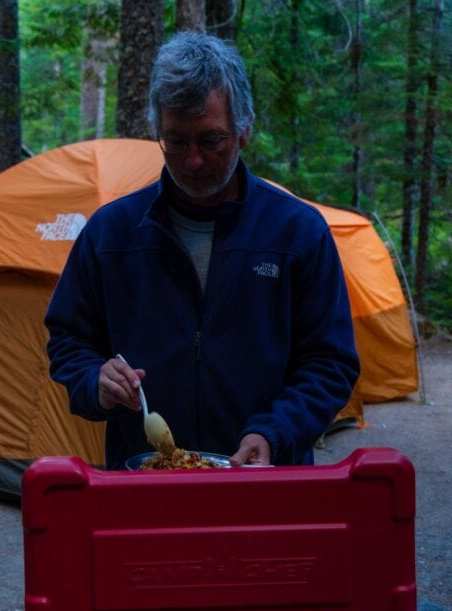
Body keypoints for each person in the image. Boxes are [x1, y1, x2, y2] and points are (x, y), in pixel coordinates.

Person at [44, 32, 359, 469]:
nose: (192, 160)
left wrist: (274, 432)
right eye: (176, 141)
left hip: (263, 483)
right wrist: (93, 379)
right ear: (158, 130)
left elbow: (330, 363)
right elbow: (69, 341)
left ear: (244, 129)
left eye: (210, 140)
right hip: (145, 483)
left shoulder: (296, 234)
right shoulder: (112, 235)